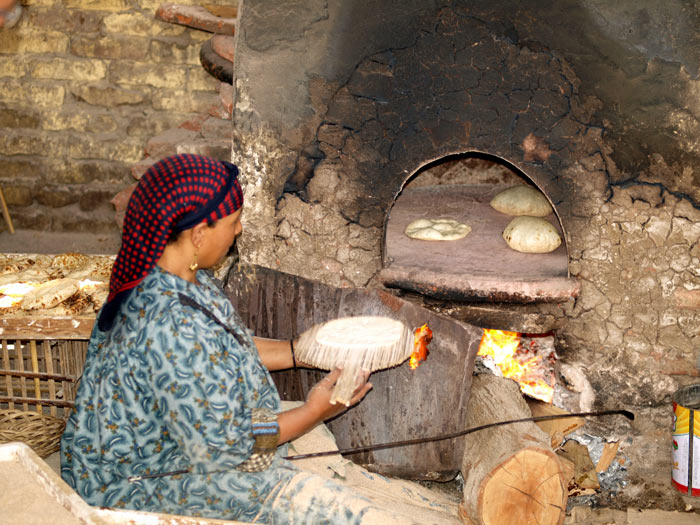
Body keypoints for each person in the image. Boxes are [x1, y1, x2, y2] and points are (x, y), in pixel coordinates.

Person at [60, 154, 382, 522]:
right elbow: (230, 445)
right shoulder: (167, 322)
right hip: (134, 478)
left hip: (183, 438)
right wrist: (315, 411)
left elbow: (228, 348)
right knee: (328, 509)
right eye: (234, 221)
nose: (239, 229)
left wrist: (302, 351)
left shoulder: (174, 274)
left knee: (282, 452)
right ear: (198, 234)